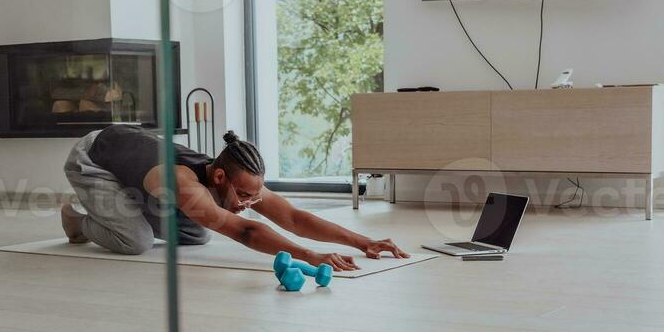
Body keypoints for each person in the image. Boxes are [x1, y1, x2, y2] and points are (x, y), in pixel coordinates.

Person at [61, 125, 408, 271]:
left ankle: (119, 212)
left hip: (139, 173)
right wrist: (311, 256)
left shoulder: (241, 180)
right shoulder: (184, 184)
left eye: (253, 196)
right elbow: (244, 231)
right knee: (136, 240)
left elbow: (294, 218)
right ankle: (78, 221)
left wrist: (363, 242)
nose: (247, 203)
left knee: (197, 233)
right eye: (243, 196)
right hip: (96, 158)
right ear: (220, 176)